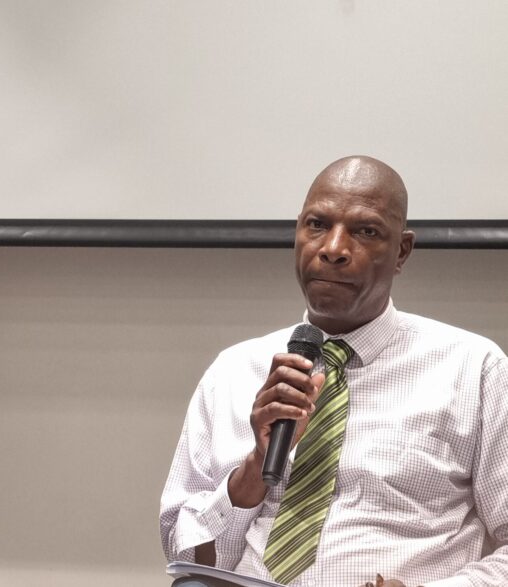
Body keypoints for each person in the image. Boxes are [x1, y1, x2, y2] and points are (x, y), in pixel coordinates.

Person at [159, 156, 508, 587]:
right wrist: (253, 470)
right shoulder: (234, 370)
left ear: (401, 251)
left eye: (366, 231)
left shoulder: (474, 369)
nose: (333, 249)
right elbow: (187, 556)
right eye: (317, 225)